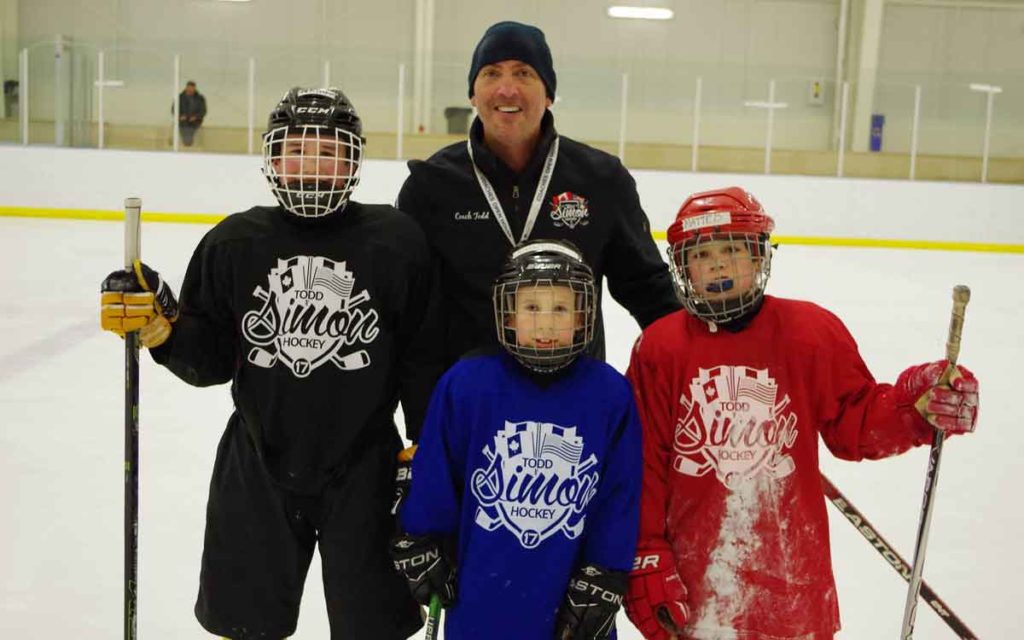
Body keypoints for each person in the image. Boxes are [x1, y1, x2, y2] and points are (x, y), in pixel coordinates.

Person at [100, 87, 442, 639]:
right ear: (273, 157)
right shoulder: (236, 241)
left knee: (373, 624)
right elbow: (208, 357)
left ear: (353, 160)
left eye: (329, 151)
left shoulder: (398, 243)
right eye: (298, 150)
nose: (312, 166)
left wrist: (426, 450)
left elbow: (422, 361)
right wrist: (163, 329)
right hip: (258, 459)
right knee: (246, 623)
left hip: (367, 466)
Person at [622, 187, 980, 640]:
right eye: (702, 253)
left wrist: (917, 405)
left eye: (732, 250)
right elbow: (643, 465)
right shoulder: (659, 347)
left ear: (758, 257)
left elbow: (856, 423)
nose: (717, 264)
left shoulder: (809, 332)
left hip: (792, 582)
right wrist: (647, 556)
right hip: (696, 584)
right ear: (682, 267)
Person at [390, 240, 642, 639]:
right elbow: (438, 471)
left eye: (560, 308)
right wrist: (423, 535)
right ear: (507, 313)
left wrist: (606, 570)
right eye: (531, 308)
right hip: (481, 593)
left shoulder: (609, 394)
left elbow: (620, 494)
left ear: (583, 317)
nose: (545, 324)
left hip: (570, 597)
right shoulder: (467, 384)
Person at [397, 20, 681, 367]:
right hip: (471, 403)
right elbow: (409, 315)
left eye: (523, 73)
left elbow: (647, 289)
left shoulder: (601, 179)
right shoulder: (431, 186)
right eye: (491, 73)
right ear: (473, 93)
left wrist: (709, 350)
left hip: (571, 400)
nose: (507, 89)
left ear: (548, 94)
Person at [176, 80, 207, 147]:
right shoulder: (179, 97)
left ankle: (189, 143)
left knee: (191, 130)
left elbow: (203, 111)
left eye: (192, 88)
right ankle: (186, 143)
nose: (190, 90)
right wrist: (180, 116)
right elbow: (174, 109)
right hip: (182, 121)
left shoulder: (200, 98)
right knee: (184, 128)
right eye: (189, 88)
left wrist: (196, 117)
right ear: (186, 88)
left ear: (194, 88)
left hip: (195, 122)